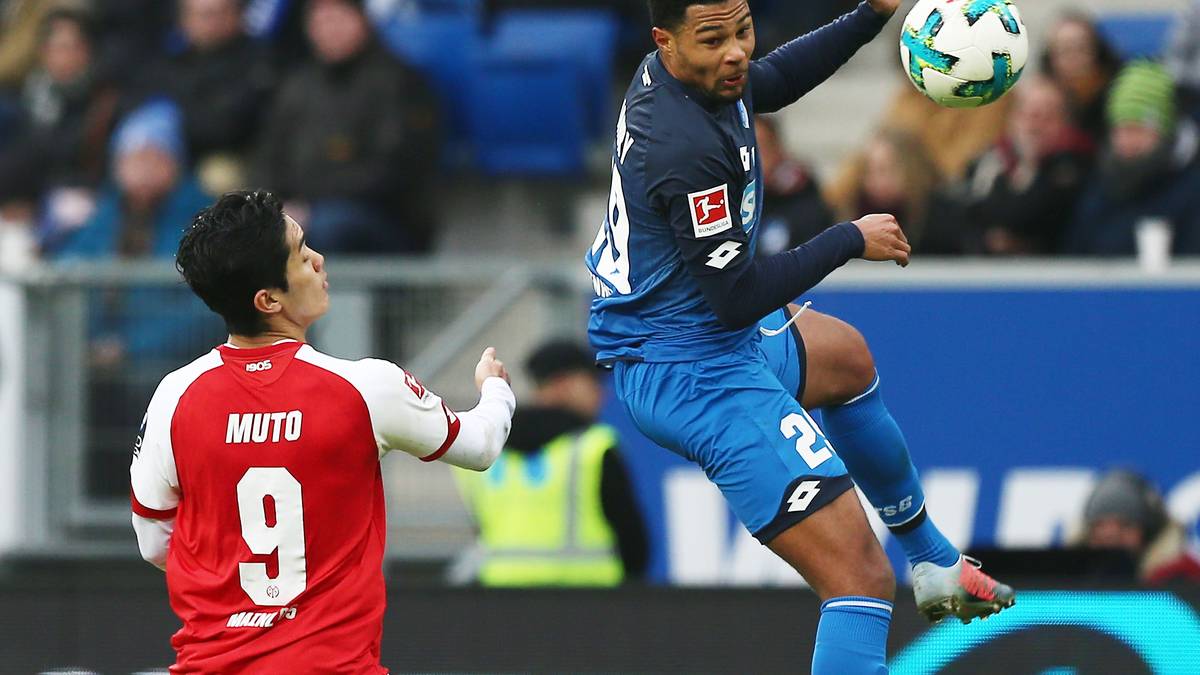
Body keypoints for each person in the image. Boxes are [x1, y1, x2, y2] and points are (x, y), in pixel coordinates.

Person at [584, 2, 1013, 672]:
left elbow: (773, 79)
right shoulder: (683, 147)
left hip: (693, 333)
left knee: (845, 357)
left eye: (743, 32)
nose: (737, 54)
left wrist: (869, 16)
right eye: (714, 40)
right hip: (695, 372)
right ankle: (915, 567)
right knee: (861, 578)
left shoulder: (693, 76)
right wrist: (849, 237)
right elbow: (738, 300)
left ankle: (932, 560)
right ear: (664, 42)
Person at [130, 190, 517, 672]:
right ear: (268, 299)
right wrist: (496, 391)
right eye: (300, 253)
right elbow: (480, 447)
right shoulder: (365, 387)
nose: (318, 259)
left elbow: (153, 542)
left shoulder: (174, 396)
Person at [253, 0, 441, 254]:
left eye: (338, 19)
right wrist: (277, 204)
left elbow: (392, 171)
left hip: (387, 221)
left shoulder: (398, 82)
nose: (329, 30)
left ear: (362, 21)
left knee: (329, 225)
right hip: (304, 209)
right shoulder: (297, 85)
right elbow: (269, 158)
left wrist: (310, 203)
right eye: (320, 22)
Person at [456, 339, 648, 586]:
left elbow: (479, 528)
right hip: (591, 603)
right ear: (563, 385)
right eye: (592, 382)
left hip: (503, 601)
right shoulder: (595, 447)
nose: (602, 394)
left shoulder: (487, 445)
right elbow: (633, 541)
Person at [136, 0, 275, 194]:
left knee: (217, 175)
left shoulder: (258, 61)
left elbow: (227, 127)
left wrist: (176, 128)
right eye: (199, 15)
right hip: (176, 153)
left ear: (237, 15)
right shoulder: (172, 60)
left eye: (215, 14)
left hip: (234, 156)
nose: (209, 23)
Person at [946, 77, 1094, 255]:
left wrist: (1030, 165)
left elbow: (1027, 215)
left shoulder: (1077, 167)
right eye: (1026, 114)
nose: (1033, 126)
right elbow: (959, 217)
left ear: (1066, 122)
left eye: (1046, 116)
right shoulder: (990, 161)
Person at [1065, 61, 1200, 256]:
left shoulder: (1191, 191)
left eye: (1139, 129)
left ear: (1165, 132)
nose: (1128, 140)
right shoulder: (1099, 186)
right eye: (1120, 129)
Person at [825, 128, 954, 254]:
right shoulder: (845, 212)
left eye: (885, 170)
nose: (875, 180)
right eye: (869, 171)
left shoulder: (940, 219)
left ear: (912, 170)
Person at [1079, 470, 1200, 585]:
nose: (1109, 535)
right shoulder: (1069, 585)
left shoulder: (1181, 580)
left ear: (1150, 532)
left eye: (1125, 525)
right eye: (1099, 525)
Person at [753, 115, 834, 258]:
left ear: (777, 150)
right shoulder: (725, 201)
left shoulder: (804, 196)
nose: (754, 158)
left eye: (761, 148)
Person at [1041, 12, 1121, 144]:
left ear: (1096, 52)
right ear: (1051, 58)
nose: (1073, 58)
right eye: (1065, 50)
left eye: (1081, 48)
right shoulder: (1042, 99)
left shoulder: (1115, 95)